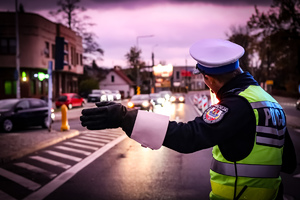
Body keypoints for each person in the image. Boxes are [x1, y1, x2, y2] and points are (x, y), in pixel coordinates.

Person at [80, 39, 296, 200]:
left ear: (208, 78)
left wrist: (126, 117)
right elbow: (288, 162)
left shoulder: (237, 105)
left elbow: (189, 137)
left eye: (205, 81)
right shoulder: (269, 102)